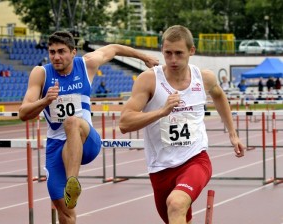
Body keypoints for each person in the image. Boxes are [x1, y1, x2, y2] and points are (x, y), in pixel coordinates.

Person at [18, 31, 159, 224]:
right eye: (52, 52)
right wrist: (45, 100)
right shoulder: (41, 73)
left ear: (73, 52)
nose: (56, 57)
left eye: (61, 51)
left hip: (87, 141)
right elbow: (23, 113)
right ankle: (69, 190)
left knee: (71, 121)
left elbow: (115, 48)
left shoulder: (87, 64)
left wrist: (145, 57)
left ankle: (72, 182)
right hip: (57, 147)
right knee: (65, 212)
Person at [119, 25, 245, 224]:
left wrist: (233, 133)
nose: (173, 60)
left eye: (179, 53)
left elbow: (220, 96)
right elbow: (124, 123)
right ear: (162, 50)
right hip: (160, 168)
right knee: (177, 216)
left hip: (195, 160)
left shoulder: (204, 78)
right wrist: (161, 112)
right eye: (168, 53)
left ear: (191, 51)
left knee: (176, 203)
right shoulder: (149, 80)